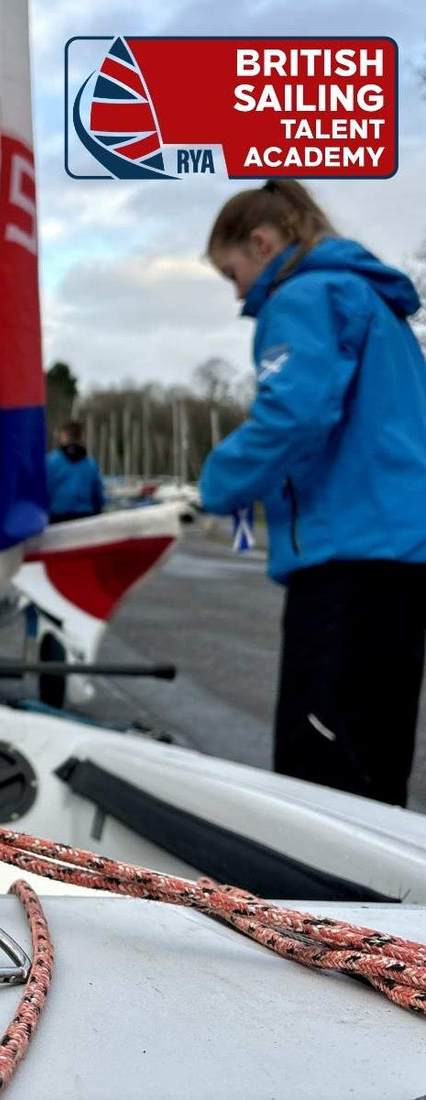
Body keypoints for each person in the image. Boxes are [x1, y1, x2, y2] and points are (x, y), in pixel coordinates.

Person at [199, 178, 426, 807]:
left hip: (345, 561)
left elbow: (294, 416)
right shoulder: (375, 305)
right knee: (376, 765)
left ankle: (316, 906)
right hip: (401, 556)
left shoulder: (304, 296)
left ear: (263, 241)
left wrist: (216, 484)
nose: (238, 292)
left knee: (320, 774)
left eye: (232, 271)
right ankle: (378, 905)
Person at [45, 421, 105, 523]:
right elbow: (97, 497)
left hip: (56, 519)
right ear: (82, 438)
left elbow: (41, 491)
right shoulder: (90, 465)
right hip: (84, 519)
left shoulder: (50, 462)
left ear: (63, 437)